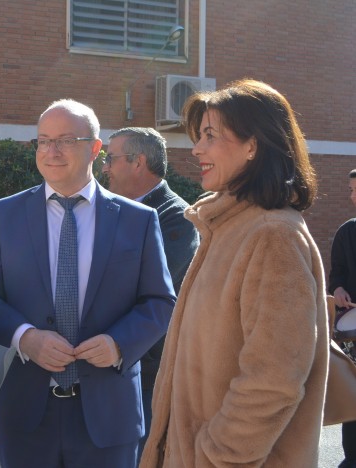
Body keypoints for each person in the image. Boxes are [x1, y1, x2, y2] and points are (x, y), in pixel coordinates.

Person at [0, 99, 176, 467]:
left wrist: (119, 343)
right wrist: (25, 337)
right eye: (44, 140)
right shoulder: (6, 214)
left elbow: (160, 301)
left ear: (95, 149)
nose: (52, 150)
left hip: (110, 414)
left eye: (65, 139)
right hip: (28, 414)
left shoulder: (137, 220)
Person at [140, 79, 329, 467]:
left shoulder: (273, 235)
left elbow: (274, 380)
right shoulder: (227, 228)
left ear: (252, 145)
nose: (196, 149)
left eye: (210, 136)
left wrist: (215, 455)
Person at [103, 126, 199, 457]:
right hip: (110, 366)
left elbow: (151, 290)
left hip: (148, 373)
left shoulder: (177, 218)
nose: (104, 168)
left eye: (110, 158)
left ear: (138, 162)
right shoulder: (112, 209)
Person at [328, 168, 356, 468]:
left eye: (354, 190)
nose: (352, 196)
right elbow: (335, 276)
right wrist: (337, 289)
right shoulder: (347, 231)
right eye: (351, 190)